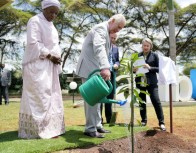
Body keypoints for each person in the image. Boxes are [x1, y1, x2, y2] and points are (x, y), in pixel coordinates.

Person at [18, 0, 65, 139]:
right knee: (40, 97)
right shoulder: (35, 21)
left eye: (56, 13)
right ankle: (36, 130)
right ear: (43, 8)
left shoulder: (51, 25)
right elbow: (33, 43)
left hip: (50, 66)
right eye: (51, 11)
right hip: (37, 66)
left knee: (51, 97)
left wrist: (56, 58)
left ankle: (50, 129)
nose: (53, 15)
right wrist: (50, 55)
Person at [76, 14, 126, 138]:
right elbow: (98, 47)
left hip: (95, 70)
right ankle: (90, 129)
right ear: (112, 20)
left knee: (98, 99)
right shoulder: (100, 28)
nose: (118, 30)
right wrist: (105, 66)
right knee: (92, 100)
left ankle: (97, 125)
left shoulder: (106, 31)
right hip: (89, 69)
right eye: (118, 27)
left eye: (120, 29)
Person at [133, 38, 166, 131]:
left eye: (147, 46)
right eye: (144, 45)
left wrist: (150, 67)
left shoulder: (155, 55)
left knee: (156, 101)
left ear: (150, 46)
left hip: (152, 83)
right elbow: (133, 69)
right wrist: (133, 70)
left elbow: (160, 69)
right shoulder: (137, 56)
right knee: (141, 102)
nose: (146, 47)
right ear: (142, 46)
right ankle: (143, 120)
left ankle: (161, 122)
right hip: (140, 82)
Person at [100, 33, 120, 124]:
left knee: (110, 96)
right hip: (102, 73)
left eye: (114, 38)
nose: (113, 39)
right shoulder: (103, 47)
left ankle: (109, 119)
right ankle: (99, 119)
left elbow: (117, 60)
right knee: (100, 96)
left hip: (112, 74)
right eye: (111, 37)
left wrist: (117, 64)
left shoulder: (116, 48)